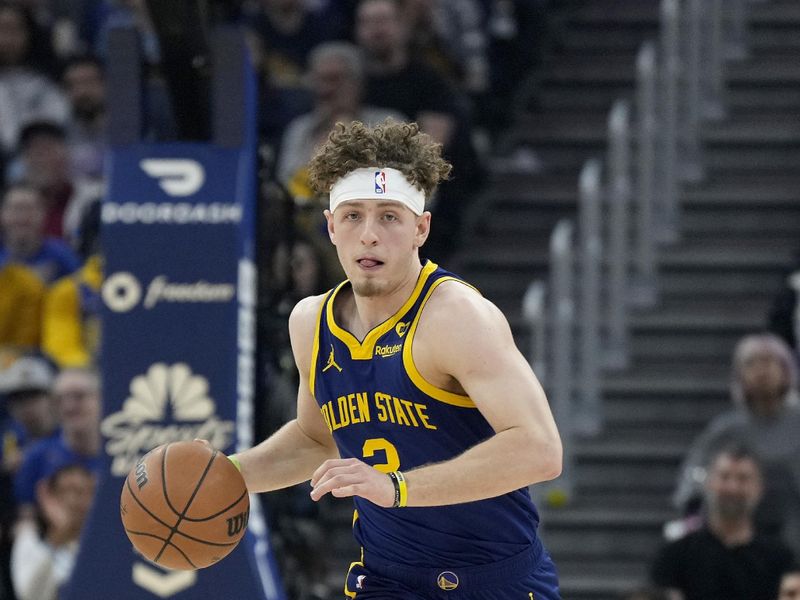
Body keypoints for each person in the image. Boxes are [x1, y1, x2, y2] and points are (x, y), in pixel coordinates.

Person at [227, 120, 563, 599]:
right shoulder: (311, 321)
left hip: (491, 579)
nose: (369, 235)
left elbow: (540, 450)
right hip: (387, 579)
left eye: (389, 216)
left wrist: (397, 487)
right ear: (330, 226)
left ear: (420, 229)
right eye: (353, 216)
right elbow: (316, 439)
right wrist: (228, 475)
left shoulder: (456, 317)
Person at [672, 333, 800, 557]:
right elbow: (696, 471)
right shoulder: (726, 430)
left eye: (769, 362)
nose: (761, 371)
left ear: (786, 371)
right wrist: (692, 503)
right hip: (739, 531)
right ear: (739, 376)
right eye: (752, 364)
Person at [652, 443, 794, 600]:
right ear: (708, 483)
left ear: (759, 487)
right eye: (724, 477)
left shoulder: (780, 560)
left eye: (743, 479)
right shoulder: (675, 557)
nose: (732, 488)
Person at [10, 463, 96, 600]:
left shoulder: (103, 542)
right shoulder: (30, 538)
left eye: (85, 491)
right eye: (68, 490)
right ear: (52, 497)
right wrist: (58, 537)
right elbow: (30, 595)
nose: (76, 500)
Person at [0, 183, 80, 284]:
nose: (22, 217)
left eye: (29, 209)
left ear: (43, 214)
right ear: (2, 214)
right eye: (16, 209)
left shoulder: (62, 254)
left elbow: (83, 291)